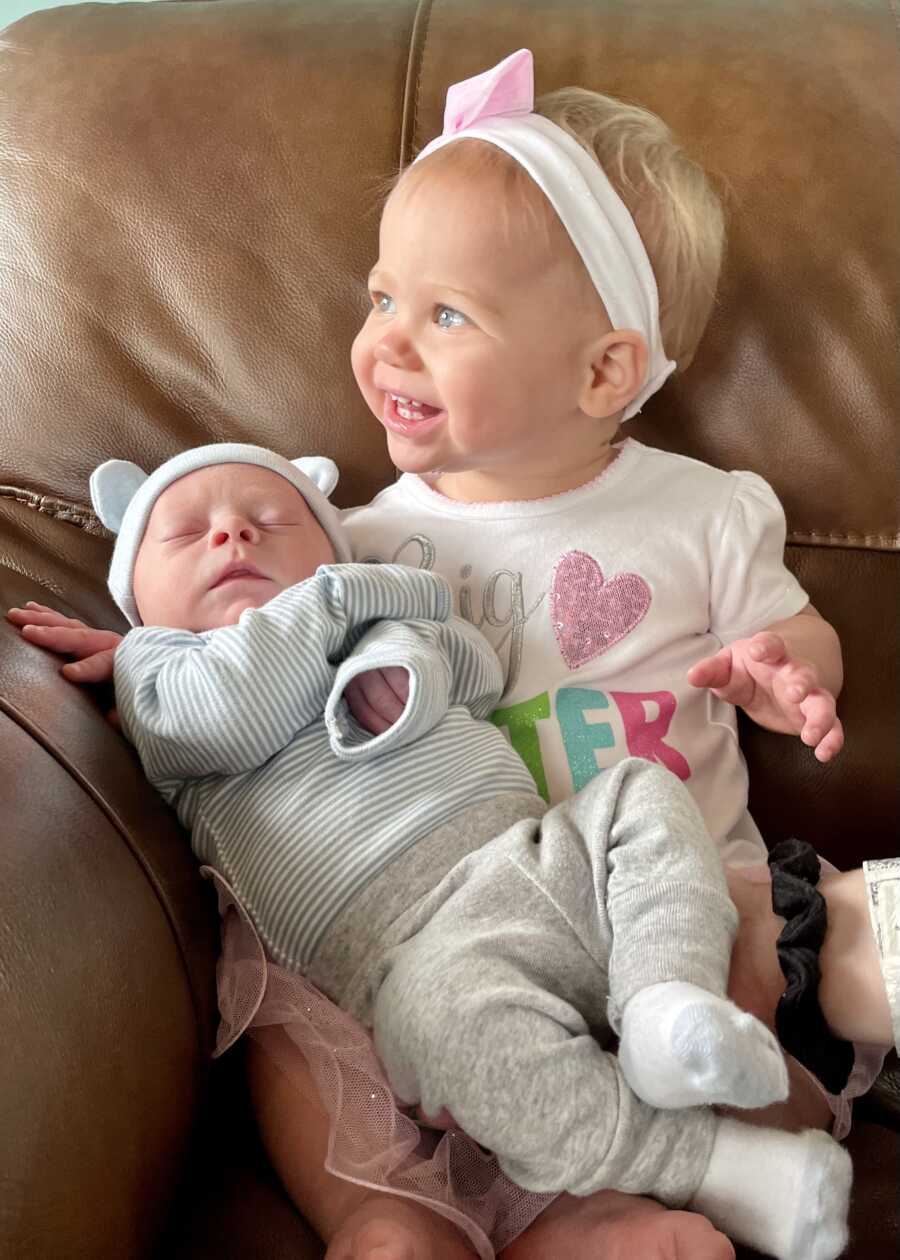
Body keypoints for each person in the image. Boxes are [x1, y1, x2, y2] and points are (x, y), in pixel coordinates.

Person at [6, 48, 889, 1260]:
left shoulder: (702, 511)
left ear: (603, 370)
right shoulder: (359, 539)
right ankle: (512, 1218)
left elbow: (798, 633)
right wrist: (141, 650)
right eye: (382, 299)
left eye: (446, 314)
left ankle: (722, 1052)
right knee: (349, 1016)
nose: (387, 345)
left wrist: (793, 667)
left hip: (677, 904)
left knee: (824, 924)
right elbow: (247, 633)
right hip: (438, 926)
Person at [90, 439, 848, 1260]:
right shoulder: (159, 666)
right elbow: (223, 710)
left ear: (331, 536)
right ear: (133, 591)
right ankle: (709, 1167)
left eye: (269, 519)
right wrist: (337, 600)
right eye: (186, 532)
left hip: (533, 851)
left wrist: (398, 651)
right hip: (415, 950)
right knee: (450, 1035)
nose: (233, 536)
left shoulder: (380, 608)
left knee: (641, 793)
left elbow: (470, 666)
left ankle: (667, 1001)